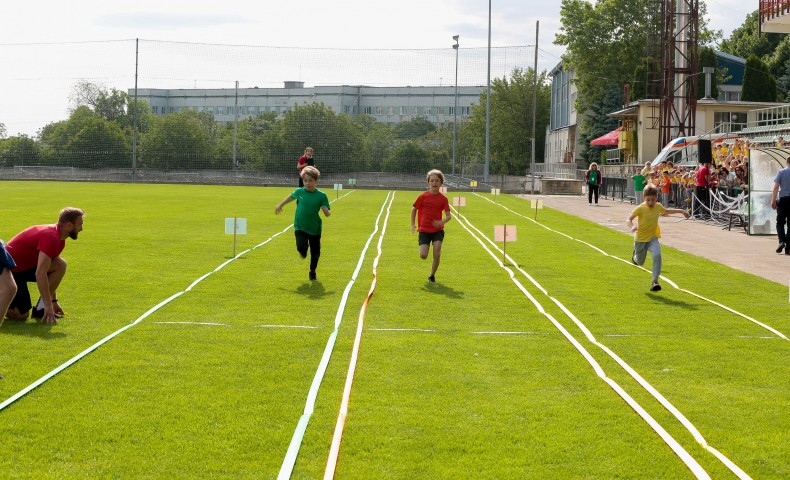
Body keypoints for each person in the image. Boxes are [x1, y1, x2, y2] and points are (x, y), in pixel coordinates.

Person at [5, 207, 84, 324]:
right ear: (68, 225)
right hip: (8, 270)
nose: (81, 228)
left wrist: (53, 301)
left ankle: (40, 309)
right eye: (80, 224)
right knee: (21, 315)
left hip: (23, 268)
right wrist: (49, 306)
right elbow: (40, 273)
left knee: (60, 264)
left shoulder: (60, 239)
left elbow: (48, 270)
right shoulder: (51, 236)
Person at [627, 184, 690, 291]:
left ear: (656, 198)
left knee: (657, 256)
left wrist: (681, 211)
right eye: (648, 200)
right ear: (644, 198)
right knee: (640, 262)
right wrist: (632, 226)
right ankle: (635, 257)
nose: (651, 202)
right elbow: (629, 219)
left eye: (653, 200)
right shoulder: (640, 208)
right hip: (640, 240)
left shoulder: (658, 206)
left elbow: (667, 211)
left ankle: (655, 282)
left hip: (652, 238)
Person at [275, 166, 331, 281]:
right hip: (300, 226)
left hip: (315, 228)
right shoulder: (299, 191)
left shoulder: (321, 195)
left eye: (310, 181)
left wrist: (326, 211)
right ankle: (304, 249)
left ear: (316, 180)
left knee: (315, 253)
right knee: (301, 249)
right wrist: (280, 205)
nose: (307, 183)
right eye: (305, 181)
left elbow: (327, 211)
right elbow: (290, 197)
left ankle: (312, 271)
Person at [411, 169, 452, 283]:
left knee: (437, 252)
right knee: (423, 255)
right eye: (432, 180)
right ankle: (426, 248)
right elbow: (414, 209)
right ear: (428, 182)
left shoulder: (443, 199)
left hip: (437, 231)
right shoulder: (423, 196)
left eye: (437, 181)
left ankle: (432, 275)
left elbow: (449, 216)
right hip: (424, 230)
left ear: (441, 183)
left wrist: (441, 222)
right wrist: (413, 224)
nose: (434, 183)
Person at [770, 155, 790, 255]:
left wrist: (773, 200)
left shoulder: (782, 172)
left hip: (783, 200)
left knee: (780, 222)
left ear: (787, 162)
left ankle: (781, 241)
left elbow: (776, 187)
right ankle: (788, 247)